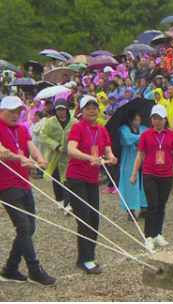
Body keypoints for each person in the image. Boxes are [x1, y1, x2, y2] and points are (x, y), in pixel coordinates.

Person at [0, 96, 57, 286]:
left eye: (19, 111)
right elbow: (1, 151)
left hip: (24, 183)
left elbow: (31, 147)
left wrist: (40, 159)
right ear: (2, 111)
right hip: (6, 185)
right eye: (12, 111)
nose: (16, 115)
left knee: (29, 228)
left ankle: (10, 269)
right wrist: (18, 157)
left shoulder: (22, 129)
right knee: (23, 227)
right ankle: (34, 269)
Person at [67, 96, 118, 275]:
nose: (92, 110)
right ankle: (87, 259)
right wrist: (90, 158)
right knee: (84, 217)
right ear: (81, 111)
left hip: (92, 179)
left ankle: (85, 256)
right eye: (87, 107)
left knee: (94, 218)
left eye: (94, 107)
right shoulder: (77, 127)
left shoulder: (102, 130)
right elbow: (71, 149)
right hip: (76, 177)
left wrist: (111, 157)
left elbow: (107, 149)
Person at [131, 105, 173, 251]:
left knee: (161, 204)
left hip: (166, 174)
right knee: (152, 204)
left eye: (160, 119)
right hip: (150, 173)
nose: (157, 121)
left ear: (165, 119)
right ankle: (148, 235)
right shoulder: (146, 135)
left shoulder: (172, 135)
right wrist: (134, 173)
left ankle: (158, 232)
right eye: (154, 118)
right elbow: (140, 155)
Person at [40, 99, 78, 215]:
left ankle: (68, 203)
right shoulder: (49, 122)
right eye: (58, 110)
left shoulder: (74, 122)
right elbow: (43, 135)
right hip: (55, 155)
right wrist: (56, 146)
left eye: (63, 109)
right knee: (56, 177)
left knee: (68, 179)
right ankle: (59, 199)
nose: (61, 112)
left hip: (69, 156)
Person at [118, 111, 148, 221]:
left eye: (139, 119)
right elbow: (126, 139)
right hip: (129, 159)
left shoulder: (143, 128)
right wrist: (140, 137)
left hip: (142, 158)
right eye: (136, 119)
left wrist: (141, 137)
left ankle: (144, 207)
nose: (138, 122)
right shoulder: (124, 129)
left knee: (143, 182)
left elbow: (147, 137)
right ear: (130, 120)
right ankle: (130, 209)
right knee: (130, 183)